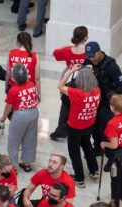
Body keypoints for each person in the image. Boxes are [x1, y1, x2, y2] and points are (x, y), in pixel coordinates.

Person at [58, 64, 100, 187]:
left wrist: (71, 71)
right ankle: (94, 170)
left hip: (75, 127)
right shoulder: (97, 90)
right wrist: (89, 70)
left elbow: (60, 86)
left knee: (74, 152)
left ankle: (80, 178)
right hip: (89, 124)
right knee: (87, 146)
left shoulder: (77, 93)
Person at [83, 41, 122, 170]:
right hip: (94, 101)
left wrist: (113, 94)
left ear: (99, 52)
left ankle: (112, 159)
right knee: (94, 125)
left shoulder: (111, 66)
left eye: (93, 56)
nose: (91, 59)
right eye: (89, 56)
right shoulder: (87, 62)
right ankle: (98, 148)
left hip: (107, 103)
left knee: (108, 130)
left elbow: (121, 84)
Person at [50, 26, 88, 140]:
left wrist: (69, 46)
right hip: (85, 80)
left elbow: (55, 53)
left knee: (66, 104)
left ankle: (61, 130)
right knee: (81, 105)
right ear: (86, 37)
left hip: (69, 78)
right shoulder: (89, 50)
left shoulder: (68, 50)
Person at [0, 63, 39, 172]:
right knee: (30, 138)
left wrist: (3, 117)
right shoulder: (32, 84)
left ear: (13, 77)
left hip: (20, 116)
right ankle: (27, 163)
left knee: (14, 140)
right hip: (33, 113)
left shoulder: (14, 90)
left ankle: (12, 165)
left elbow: (8, 106)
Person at [5, 32, 41, 102]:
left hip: (13, 87)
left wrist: (6, 85)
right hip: (28, 90)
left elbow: (8, 73)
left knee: (12, 109)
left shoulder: (11, 53)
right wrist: (39, 92)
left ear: (18, 42)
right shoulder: (34, 56)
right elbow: (37, 77)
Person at [100, 94, 122, 204]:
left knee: (115, 180)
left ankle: (115, 202)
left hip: (118, 157)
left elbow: (113, 145)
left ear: (113, 107)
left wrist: (104, 144)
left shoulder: (113, 123)